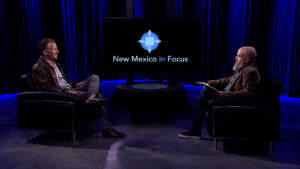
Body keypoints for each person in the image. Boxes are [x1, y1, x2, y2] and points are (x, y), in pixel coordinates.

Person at [32, 38, 126, 138]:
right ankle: (106, 129)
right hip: (62, 94)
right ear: (45, 52)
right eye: (54, 49)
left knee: (94, 77)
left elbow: (64, 80)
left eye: (57, 48)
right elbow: (47, 87)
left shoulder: (55, 64)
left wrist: (76, 84)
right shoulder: (39, 67)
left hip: (69, 89)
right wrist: (67, 91)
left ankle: (91, 98)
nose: (57, 51)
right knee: (98, 95)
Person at [179, 46, 260, 139]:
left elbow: (249, 92)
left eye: (238, 56)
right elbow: (229, 80)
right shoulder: (243, 68)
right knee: (203, 94)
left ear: (246, 59)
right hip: (229, 94)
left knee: (203, 96)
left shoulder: (250, 71)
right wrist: (211, 82)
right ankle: (196, 129)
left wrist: (226, 94)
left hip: (235, 99)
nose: (236, 57)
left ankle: (195, 130)